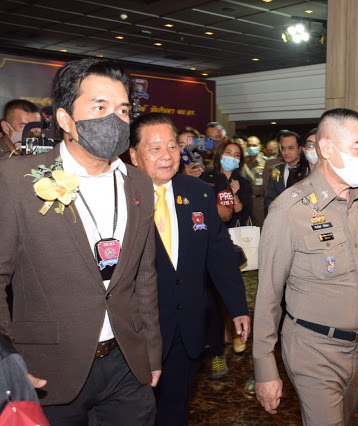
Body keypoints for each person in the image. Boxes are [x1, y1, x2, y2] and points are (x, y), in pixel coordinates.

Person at [0, 58, 162, 424]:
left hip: (127, 366)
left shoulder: (138, 182)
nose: (115, 119)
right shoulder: (15, 179)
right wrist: (5, 361)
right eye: (99, 107)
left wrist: (152, 352)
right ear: (64, 118)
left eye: (123, 110)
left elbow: (144, 276)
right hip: (48, 370)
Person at [253, 108, 358, 425]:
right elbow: (268, 295)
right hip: (312, 350)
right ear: (327, 148)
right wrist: (264, 366)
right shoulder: (289, 210)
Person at [129, 113, 250, 426]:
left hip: (186, 327)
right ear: (134, 155)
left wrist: (238, 307)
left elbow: (219, 253)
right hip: (136, 335)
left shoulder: (198, 192)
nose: (167, 155)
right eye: (155, 148)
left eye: (172, 146)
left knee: (175, 410)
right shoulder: (120, 196)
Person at [264, 130, 310, 214]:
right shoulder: (276, 170)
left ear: (300, 149)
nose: (286, 152)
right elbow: (269, 199)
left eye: (290, 148)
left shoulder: (309, 169)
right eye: (283, 148)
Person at [213, 140, 252, 226]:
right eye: (228, 152)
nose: (232, 157)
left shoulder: (244, 183)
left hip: (233, 228)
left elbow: (243, 214)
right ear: (220, 155)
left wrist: (233, 195)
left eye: (237, 155)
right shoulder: (209, 178)